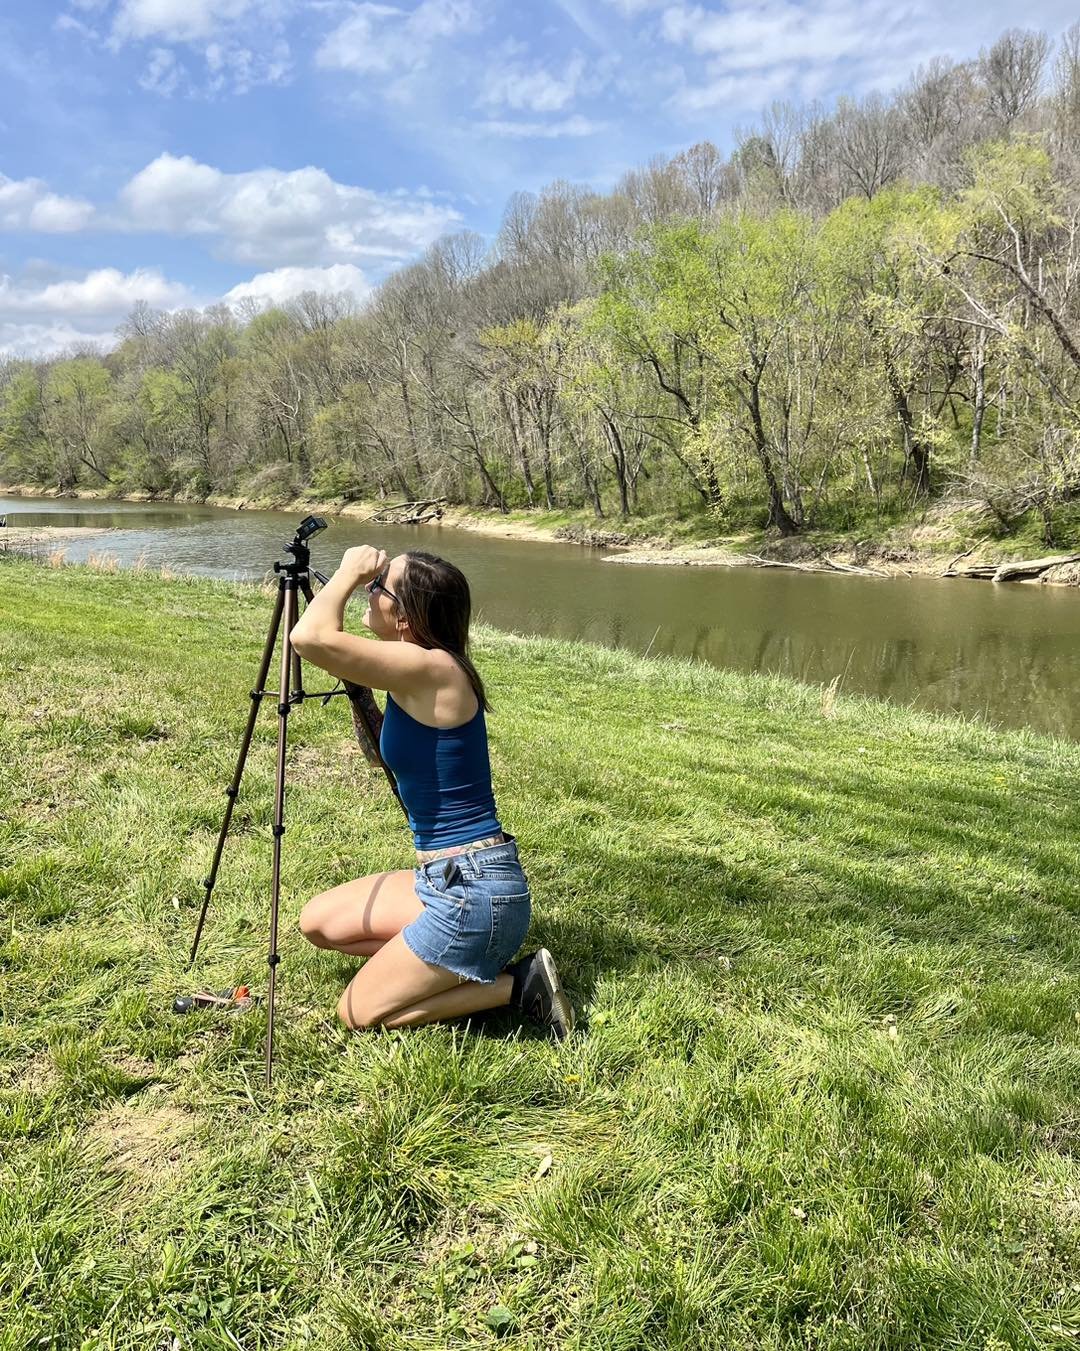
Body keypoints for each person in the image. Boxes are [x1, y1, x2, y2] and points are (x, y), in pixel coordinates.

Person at [290, 544, 574, 1040]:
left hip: (476, 891)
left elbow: (309, 637)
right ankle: (435, 962)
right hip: (445, 879)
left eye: (379, 587)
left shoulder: (434, 669)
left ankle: (515, 985)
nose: (369, 588)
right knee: (318, 923)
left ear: (405, 618)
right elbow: (386, 755)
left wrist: (346, 574)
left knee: (355, 1012)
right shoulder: (416, 671)